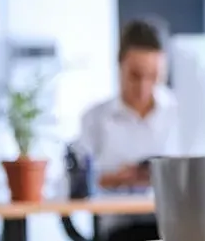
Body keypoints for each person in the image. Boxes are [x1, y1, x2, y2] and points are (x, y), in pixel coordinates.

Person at [76, 19, 179, 241]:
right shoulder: (95, 118)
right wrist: (116, 178)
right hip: (119, 229)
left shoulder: (180, 113)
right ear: (119, 65)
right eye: (135, 75)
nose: (144, 87)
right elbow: (75, 185)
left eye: (153, 76)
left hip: (174, 225)